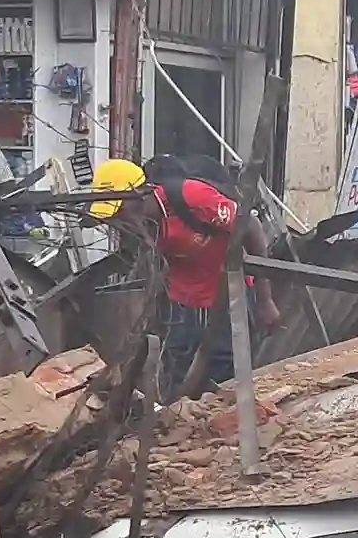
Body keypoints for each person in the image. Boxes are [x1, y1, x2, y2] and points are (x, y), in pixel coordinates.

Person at [117, 156, 274, 398]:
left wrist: (265, 300)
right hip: (184, 304)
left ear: (136, 197)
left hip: (229, 296)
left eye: (119, 213)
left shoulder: (192, 198)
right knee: (178, 369)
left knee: (227, 370)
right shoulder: (142, 225)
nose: (119, 222)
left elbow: (250, 227)